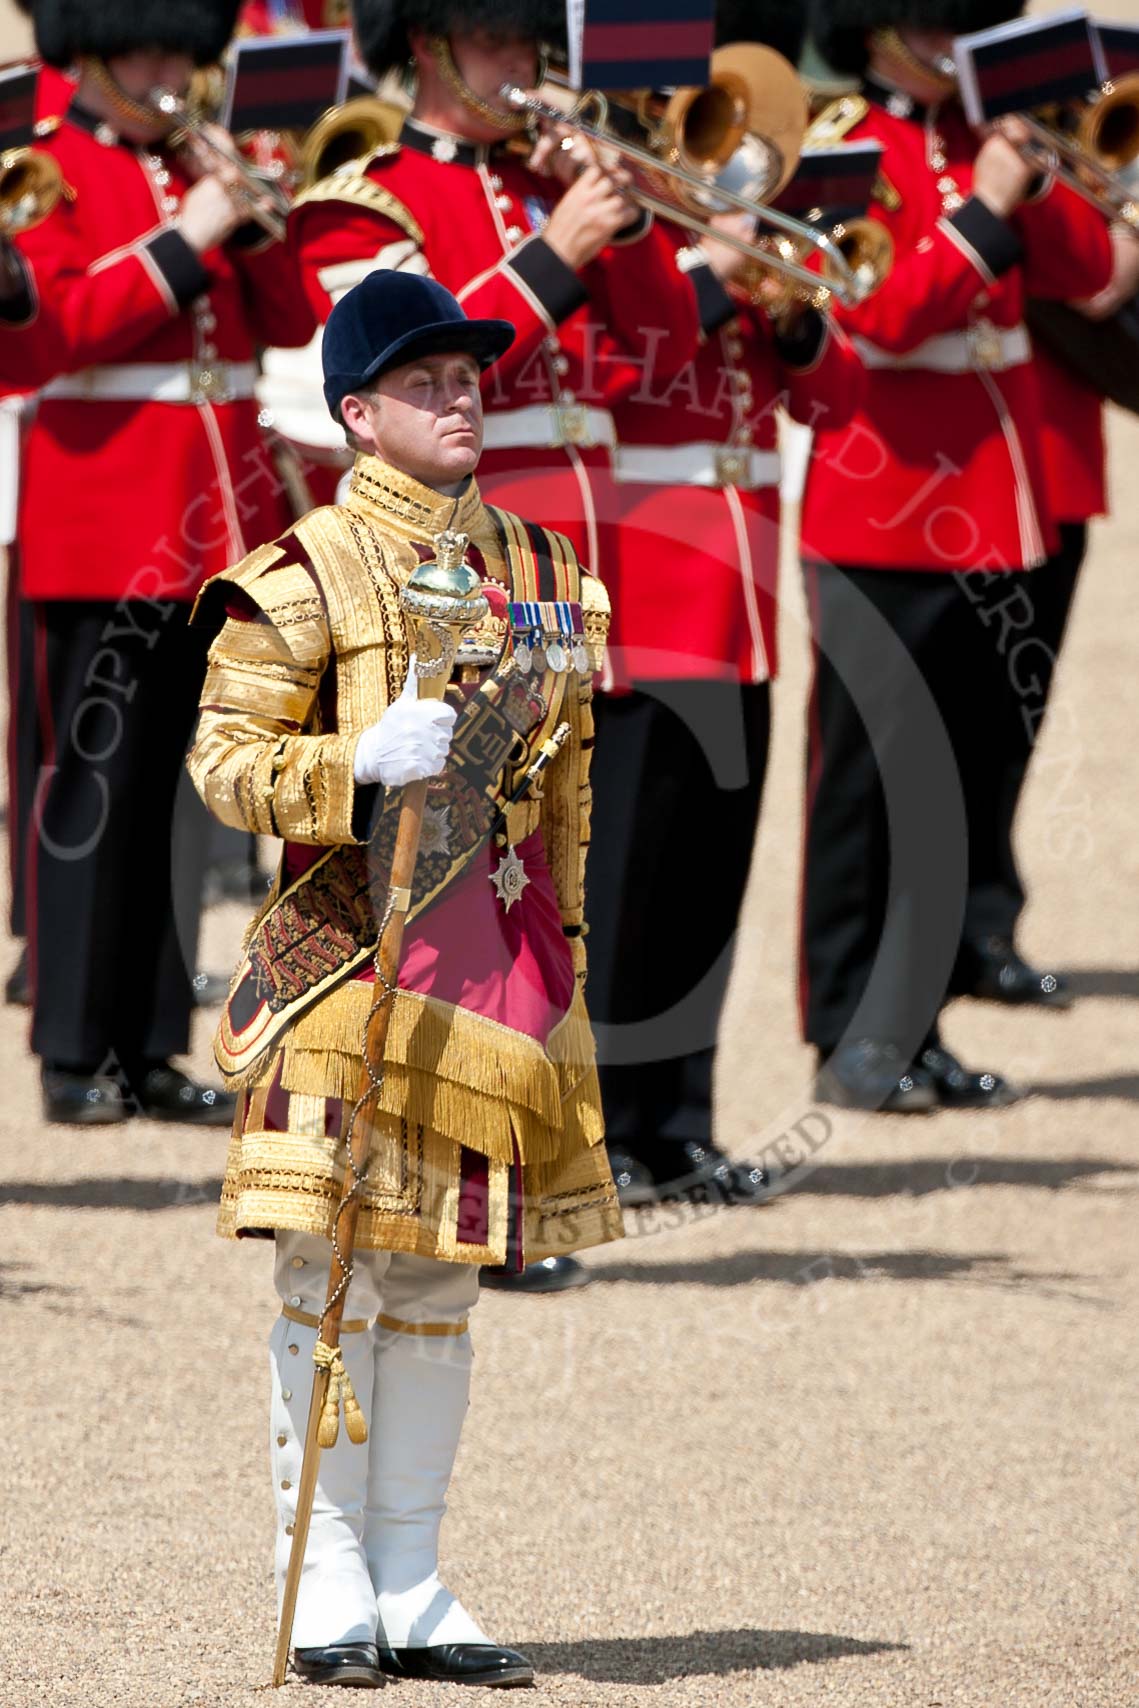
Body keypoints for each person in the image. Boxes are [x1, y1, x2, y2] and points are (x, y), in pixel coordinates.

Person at [187, 270, 620, 1689]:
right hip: (339, 957)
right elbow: (220, 764)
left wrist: (559, 964)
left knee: (439, 1279)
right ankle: (321, 1576)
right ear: (357, 415)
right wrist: (345, 770)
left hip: (489, 967)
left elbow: (565, 797)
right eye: (425, 382)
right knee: (332, 1267)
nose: (460, 396)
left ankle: (414, 1572)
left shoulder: (547, 569)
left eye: (470, 375)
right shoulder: (301, 571)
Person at [282, 0, 698, 1285]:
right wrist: (553, 258)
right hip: (450, 590)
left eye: (530, 44)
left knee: (563, 897)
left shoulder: (558, 181)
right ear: (431, 49)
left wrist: (613, 222)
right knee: (461, 910)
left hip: (573, 580)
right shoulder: (364, 202)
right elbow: (390, 383)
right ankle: (456, 1197)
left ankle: (559, 1178)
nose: (526, 71)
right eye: (499, 46)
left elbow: (667, 352)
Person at [799, 0, 1114, 1110]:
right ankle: (847, 1032)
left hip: (994, 503)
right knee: (869, 793)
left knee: (955, 788)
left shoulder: (980, 138)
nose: (943, 41)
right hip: (883, 507)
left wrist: (1041, 162)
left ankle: (914, 1024)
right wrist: (984, 208)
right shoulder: (840, 142)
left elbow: (1081, 274)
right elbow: (880, 314)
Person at [13, 0, 314, 1123]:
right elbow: (50, 331)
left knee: (170, 799)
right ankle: (72, 1047)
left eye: (176, 48)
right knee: (91, 788)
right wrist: (190, 234)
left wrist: (255, 216)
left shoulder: (195, 160)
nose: (165, 72)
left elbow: (284, 321)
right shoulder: (46, 168)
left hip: (206, 523)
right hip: (101, 522)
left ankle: (148, 1042)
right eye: (140, 49)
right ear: (89, 49)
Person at [585, 3, 865, 1205]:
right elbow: (610, 374)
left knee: (705, 875)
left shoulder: (738, 246)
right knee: (621, 884)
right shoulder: (626, 235)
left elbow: (837, 399)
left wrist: (791, 313)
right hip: (646, 582)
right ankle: (592, 1133)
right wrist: (705, 271)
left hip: (738, 591)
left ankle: (676, 1120)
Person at [949, 220, 1139, 1009]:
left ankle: (983, 919)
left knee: (1010, 716)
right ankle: (937, 932)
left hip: (1052, 454)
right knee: (950, 718)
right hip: (962, 465)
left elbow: (1101, 276)